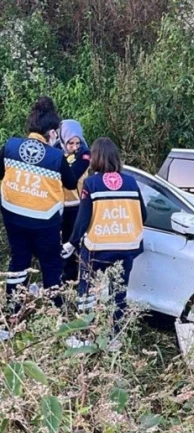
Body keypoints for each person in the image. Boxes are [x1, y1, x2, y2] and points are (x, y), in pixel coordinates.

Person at [0, 96, 79, 310]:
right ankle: (55, 315)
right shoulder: (55, 157)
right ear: (52, 132)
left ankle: (11, 314)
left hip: (13, 217)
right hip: (45, 221)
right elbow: (71, 184)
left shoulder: (10, 146)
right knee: (51, 267)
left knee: (19, 263)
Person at [66, 137, 146, 344]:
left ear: (95, 159)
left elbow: (83, 219)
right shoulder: (131, 182)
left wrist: (72, 242)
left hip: (97, 247)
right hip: (127, 246)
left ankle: (84, 337)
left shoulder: (91, 183)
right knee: (119, 293)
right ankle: (114, 338)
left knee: (86, 290)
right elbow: (143, 214)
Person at [56, 119, 91, 282]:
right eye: (70, 143)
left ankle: (81, 278)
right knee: (62, 246)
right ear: (62, 139)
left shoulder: (85, 154)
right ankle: (66, 279)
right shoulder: (55, 151)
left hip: (78, 206)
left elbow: (71, 177)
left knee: (76, 243)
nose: (75, 147)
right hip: (59, 206)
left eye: (78, 142)